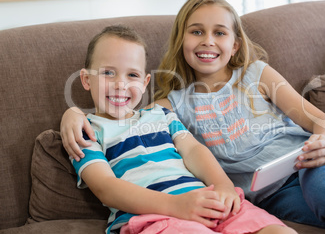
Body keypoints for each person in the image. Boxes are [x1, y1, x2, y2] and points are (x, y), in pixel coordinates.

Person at [61, 0, 325, 234]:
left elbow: (320, 120)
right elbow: (130, 117)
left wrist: (324, 140)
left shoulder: (256, 74)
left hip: (312, 160)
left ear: (235, 44)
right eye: (196, 31)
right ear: (181, 41)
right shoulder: (173, 103)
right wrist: (73, 113)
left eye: (219, 33)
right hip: (272, 194)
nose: (207, 41)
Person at [70, 24, 296, 234]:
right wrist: (176, 205)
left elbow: (194, 152)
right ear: (86, 79)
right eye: (108, 73)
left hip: (205, 201)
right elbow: (106, 188)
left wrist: (225, 186)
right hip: (155, 217)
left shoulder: (161, 115)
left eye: (132, 75)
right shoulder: (85, 130)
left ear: (146, 82)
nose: (121, 84)